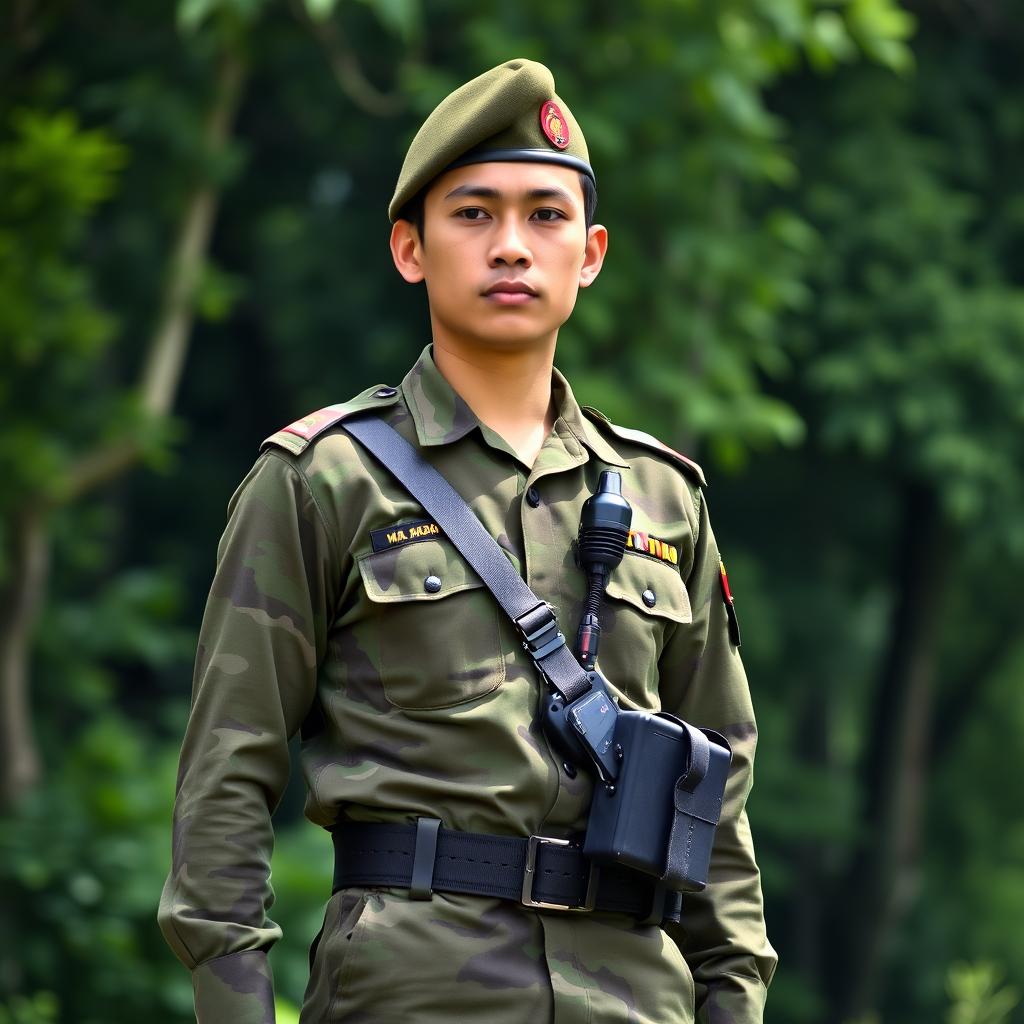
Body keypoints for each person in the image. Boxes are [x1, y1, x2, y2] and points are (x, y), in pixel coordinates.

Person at [158, 57, 777, 1023]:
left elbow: (720, 801)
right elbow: (225, 784)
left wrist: (734, 1004)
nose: (512, 248)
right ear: (410, 249)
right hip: (408, 993)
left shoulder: (664, 497)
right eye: (474, 213)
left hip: (634, 1000)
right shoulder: (322, 481)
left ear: (593, 252)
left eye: (545, 215)